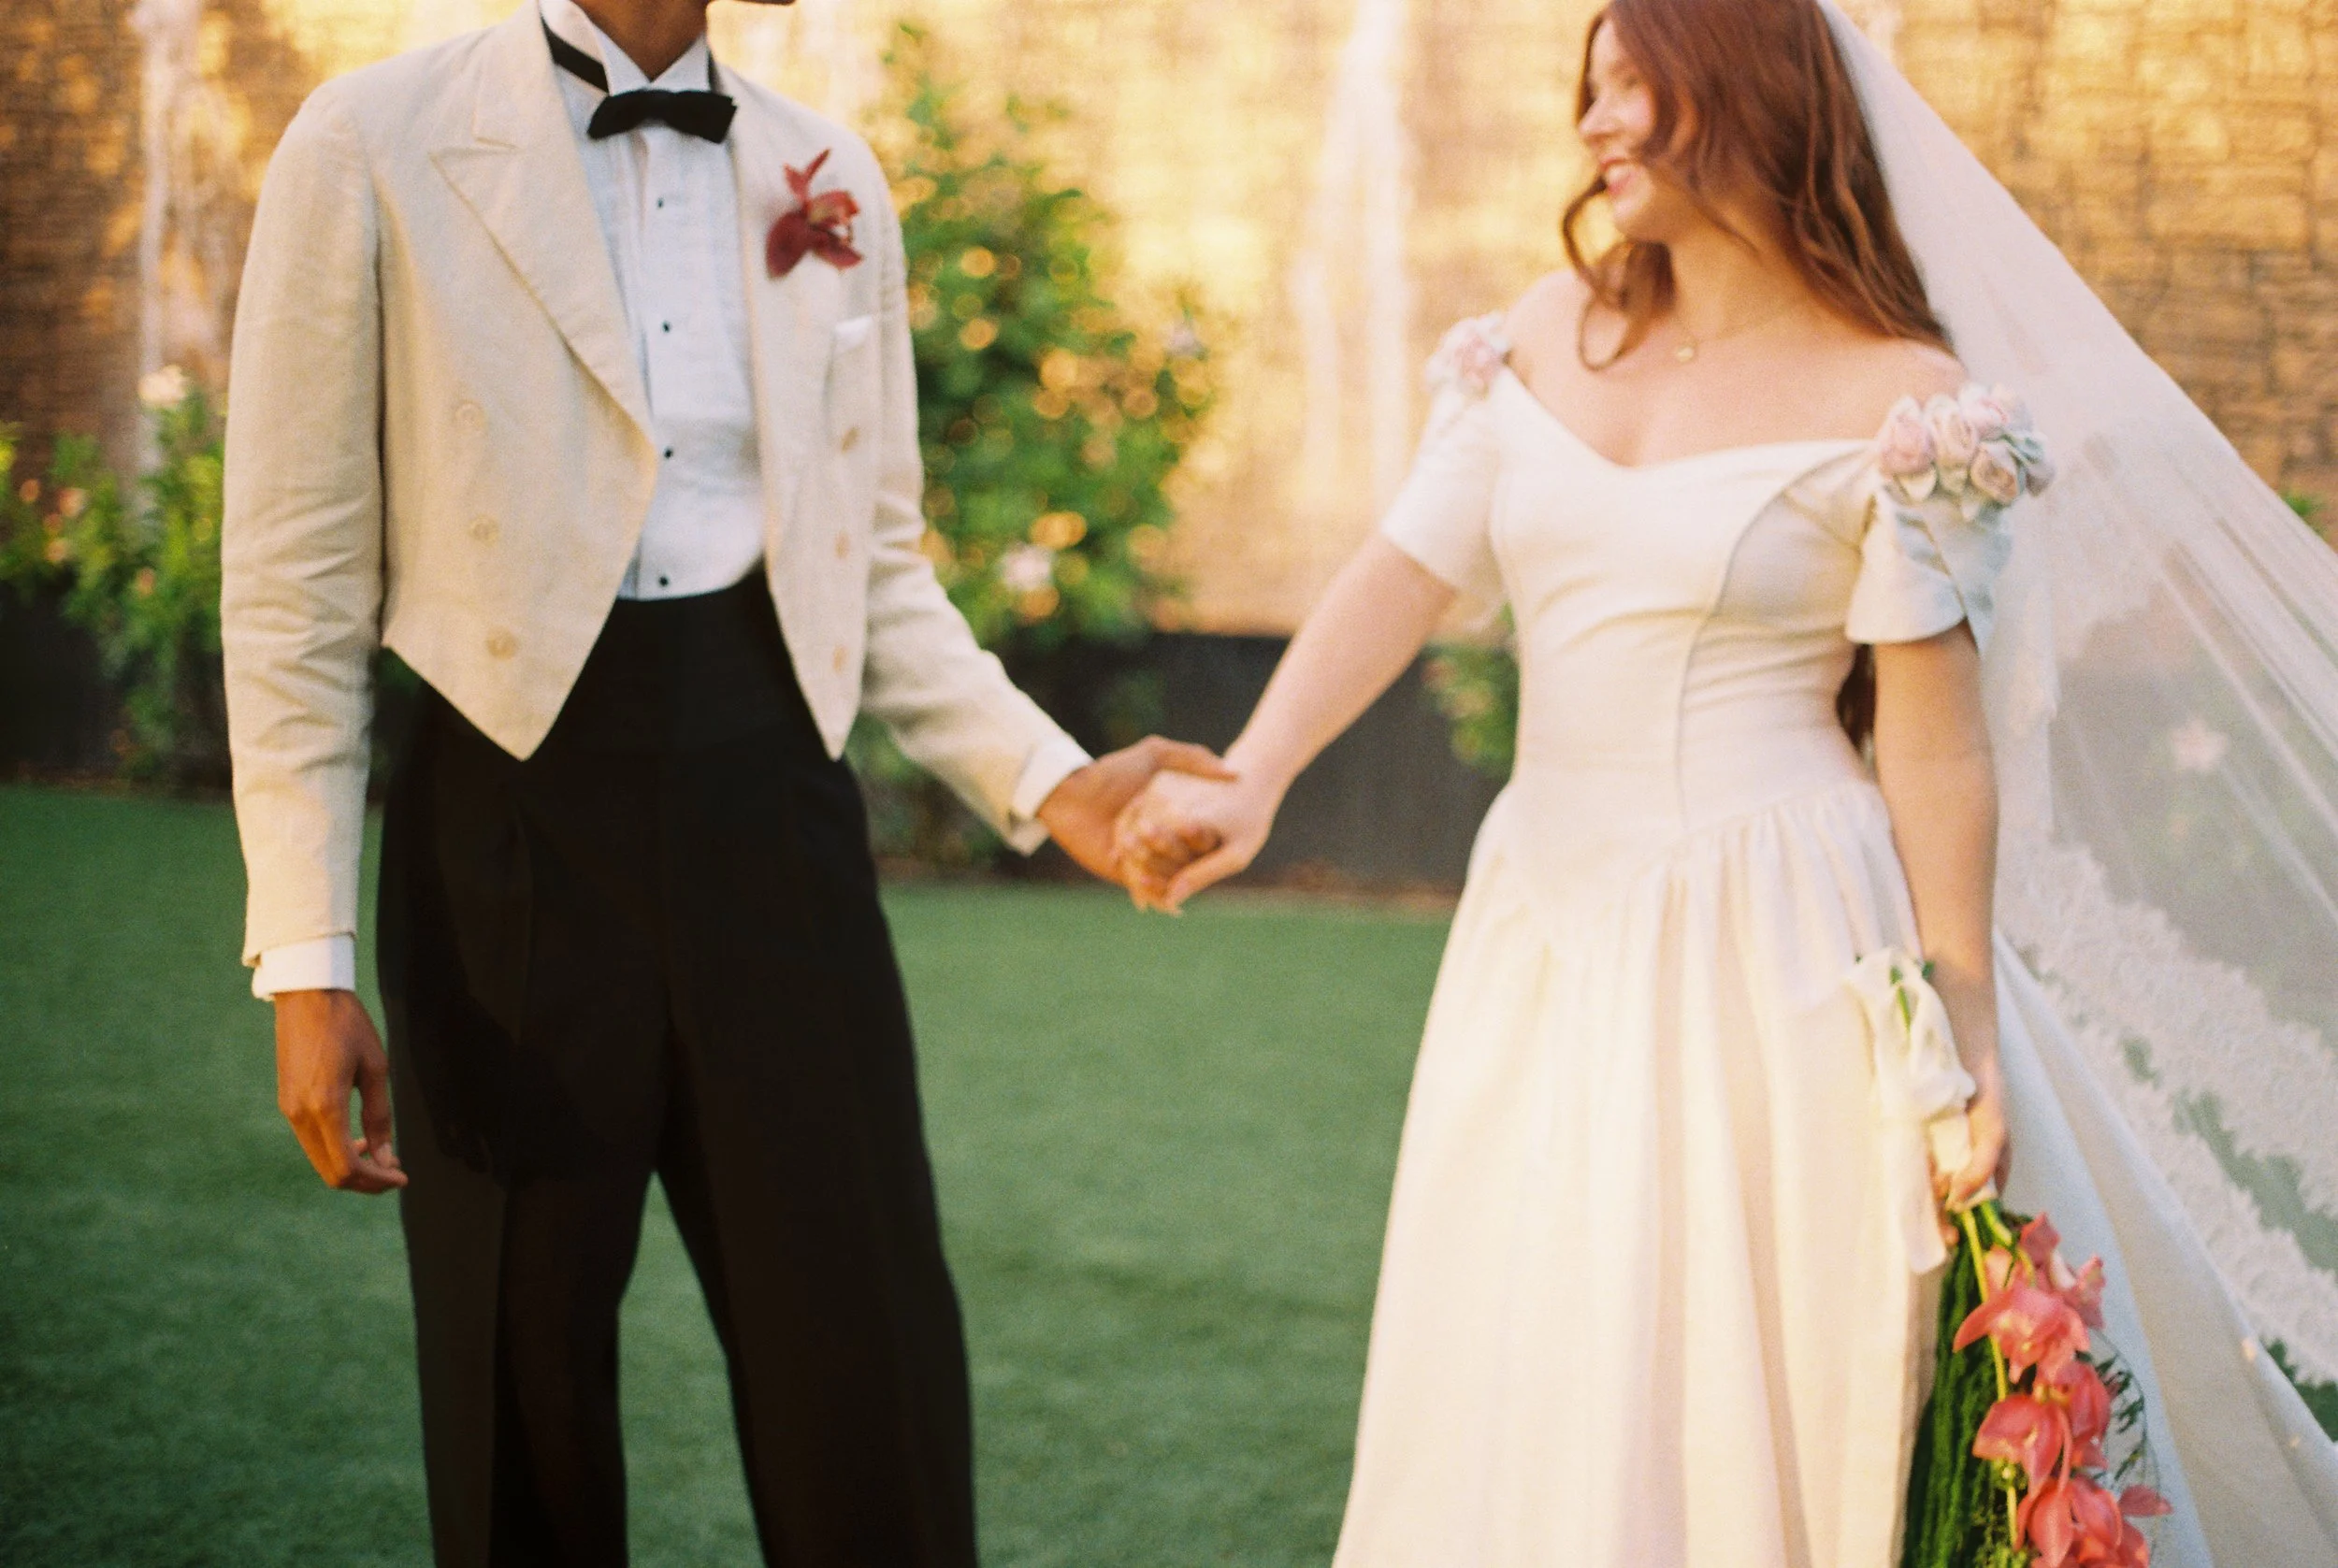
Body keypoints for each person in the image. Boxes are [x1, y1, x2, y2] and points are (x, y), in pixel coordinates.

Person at [1116, 2, 2338, 1564]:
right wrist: (1259, 771)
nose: (1598, 123)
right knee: (1528, 1333)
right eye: (1593, 87)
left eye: (1636, 85)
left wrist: (1965, 1015)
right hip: (1542, 917)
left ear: (1746, 92)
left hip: (1773, 937)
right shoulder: (1543, 331)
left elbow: (1931, 729)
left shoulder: (1899, 394)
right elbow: (1407, 564)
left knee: (1736, 1341)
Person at [219, 0, 1224, 1561]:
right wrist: (304, 955)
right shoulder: (369, 141)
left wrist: (1054, 781)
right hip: (506, 818)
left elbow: (877, 568)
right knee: (519, 1385)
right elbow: (292, 580)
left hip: (776, 804)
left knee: (867, 1352)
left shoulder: (828, 170)